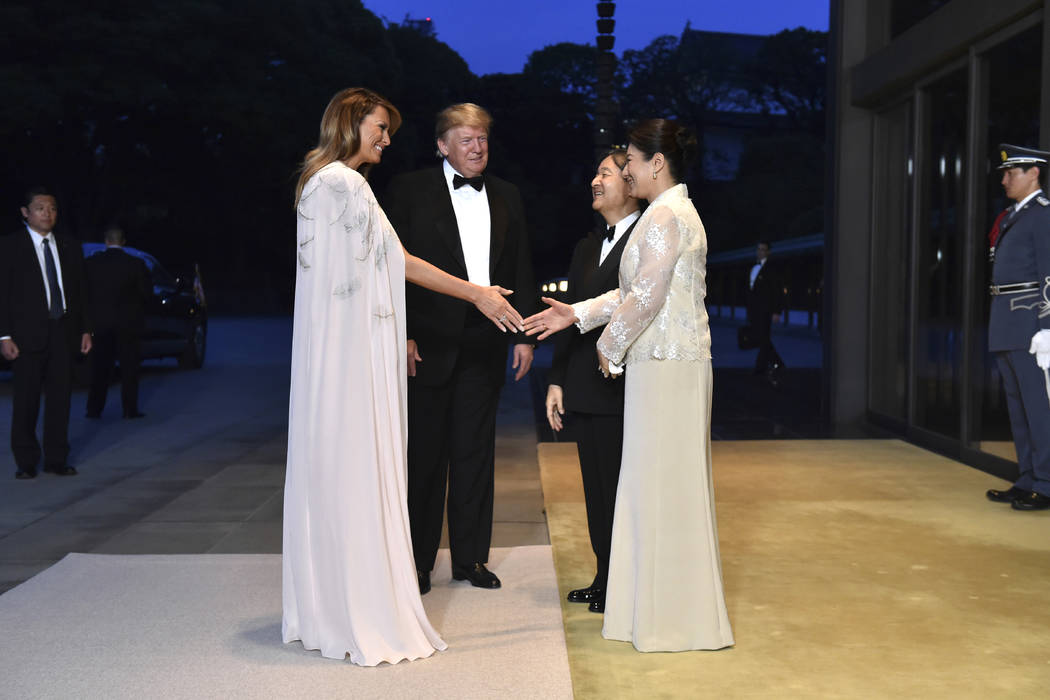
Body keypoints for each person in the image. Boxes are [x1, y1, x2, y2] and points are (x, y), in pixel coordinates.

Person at [282, 88, 523, 665]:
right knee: (371, 461)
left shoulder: (317, 179)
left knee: (346, 463)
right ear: (351, 123)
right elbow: (399, 262)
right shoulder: (344, 182)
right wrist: (476, 293)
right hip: (355, 349)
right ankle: (363, 606)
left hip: (333, 348)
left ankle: (333, 603)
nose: (387, 139)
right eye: (380, 127)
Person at [525, 119, 734, 652]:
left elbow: (646, 295)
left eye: (633, 162)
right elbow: (630, 292)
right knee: (657, 486)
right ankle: (662, 606)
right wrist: (574, 314)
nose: (628, 170)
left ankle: (667, 615)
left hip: (665, 367)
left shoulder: (664, 214)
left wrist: (608, 347)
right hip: (668, 364)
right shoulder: (674, 212)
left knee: (660, 485)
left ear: (656, 163)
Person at [383, 103, 538, 594]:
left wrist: (524, 335)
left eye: (483, 140)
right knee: (425, 456)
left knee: (475, 454)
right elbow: (392, 267)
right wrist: (402, 332)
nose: (477, 148)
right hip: (427, 341)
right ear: (442, 145)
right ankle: (418, 561)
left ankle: (471, 559)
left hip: (486, 341)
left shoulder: (509, 195)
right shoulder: (408, 190)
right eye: (467, 140)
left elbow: (521, 266)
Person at [546, 149, 639, 614]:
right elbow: (570, 318)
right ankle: (604, 576)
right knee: (596, 489)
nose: (594, 181)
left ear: (628, 181)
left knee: (624, 489)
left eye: (603, 173)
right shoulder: (586, 246)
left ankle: (625, 581)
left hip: (624, 388)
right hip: (585, 387)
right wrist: (557, 379)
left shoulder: (647, 238)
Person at [0, 188, 92, 479]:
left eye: (52, 208)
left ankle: (56, 459)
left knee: (60, 399)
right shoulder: (9, 246)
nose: (47, 213)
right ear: (25, 213)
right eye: (40, 208)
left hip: (63, 332)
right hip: (25, 336)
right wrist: (4, 336)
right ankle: (26, 462)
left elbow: (81, 292)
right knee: (26, 400)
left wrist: (85, 330)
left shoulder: (69, 246)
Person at [984, 143, 1050, 512]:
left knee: (1039, 407)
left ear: (1034, 173)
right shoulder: (1012, 215)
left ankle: (1046, 481)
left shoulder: (1043, 215)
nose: (1005, 179)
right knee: (1019, 406)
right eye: (1005, 174)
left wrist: (1048, 326)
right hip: (1007, 319)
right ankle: (1027, 478)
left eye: (1013, 172)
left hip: (1030, 325)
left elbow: (1049, 273)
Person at [84, 227, 152, 419]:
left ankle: (94, 409)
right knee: (129, 368)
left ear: (106, 241)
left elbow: (83, 293)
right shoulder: (136, 264)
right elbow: (147, 293)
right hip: (128, 324)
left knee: (100, 368)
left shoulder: (92, 263)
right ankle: (130, 409)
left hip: (100, 323)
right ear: (123, 242)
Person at [747, 240, 785, 384]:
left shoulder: (772, 269)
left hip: (766, 310)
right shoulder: (752, 267)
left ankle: (767, 366)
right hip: (754, 311)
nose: (760, 251)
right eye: (758, 249)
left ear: (768, 252)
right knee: (761, 338)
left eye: (763, 249)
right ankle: (770, 365)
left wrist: (777, 311)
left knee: (763, 337)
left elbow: (778, 291)